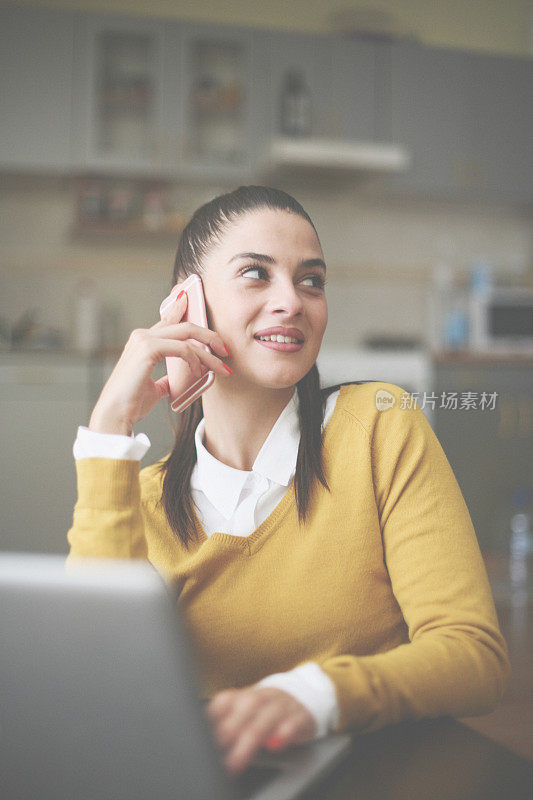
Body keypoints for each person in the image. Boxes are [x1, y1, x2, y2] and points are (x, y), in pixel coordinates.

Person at [67, 185, 510, 776]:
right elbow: (91, 687)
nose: (292, 302)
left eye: (311, 281)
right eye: (256, 273)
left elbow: (473, 657)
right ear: (184, 306)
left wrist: (313, 696)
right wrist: (107, 432)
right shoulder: (140, 498)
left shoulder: (380, 427)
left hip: (380, 777)